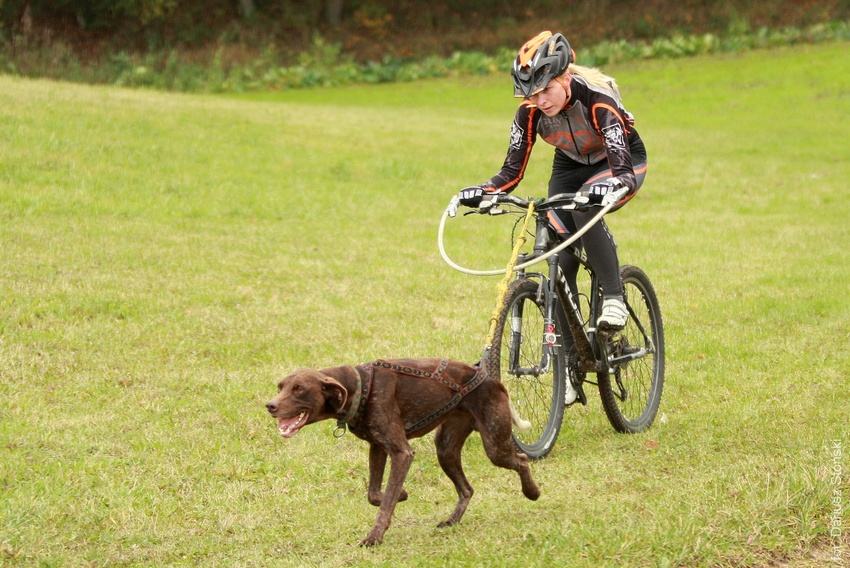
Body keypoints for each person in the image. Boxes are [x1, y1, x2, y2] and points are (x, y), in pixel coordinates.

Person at [457, 31, 647, 333]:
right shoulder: (529, 112)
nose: (539, 100)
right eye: (531, 94)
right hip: (569, 164)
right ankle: (571, 366)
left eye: (545, 90)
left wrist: (610, 187)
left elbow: (621, 168)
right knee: (556, 244)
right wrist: (484, 191)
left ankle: (614, 297)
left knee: (584, 208)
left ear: (564, 78)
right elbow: (512, 172)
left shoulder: (598, 101)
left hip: (619, 161)